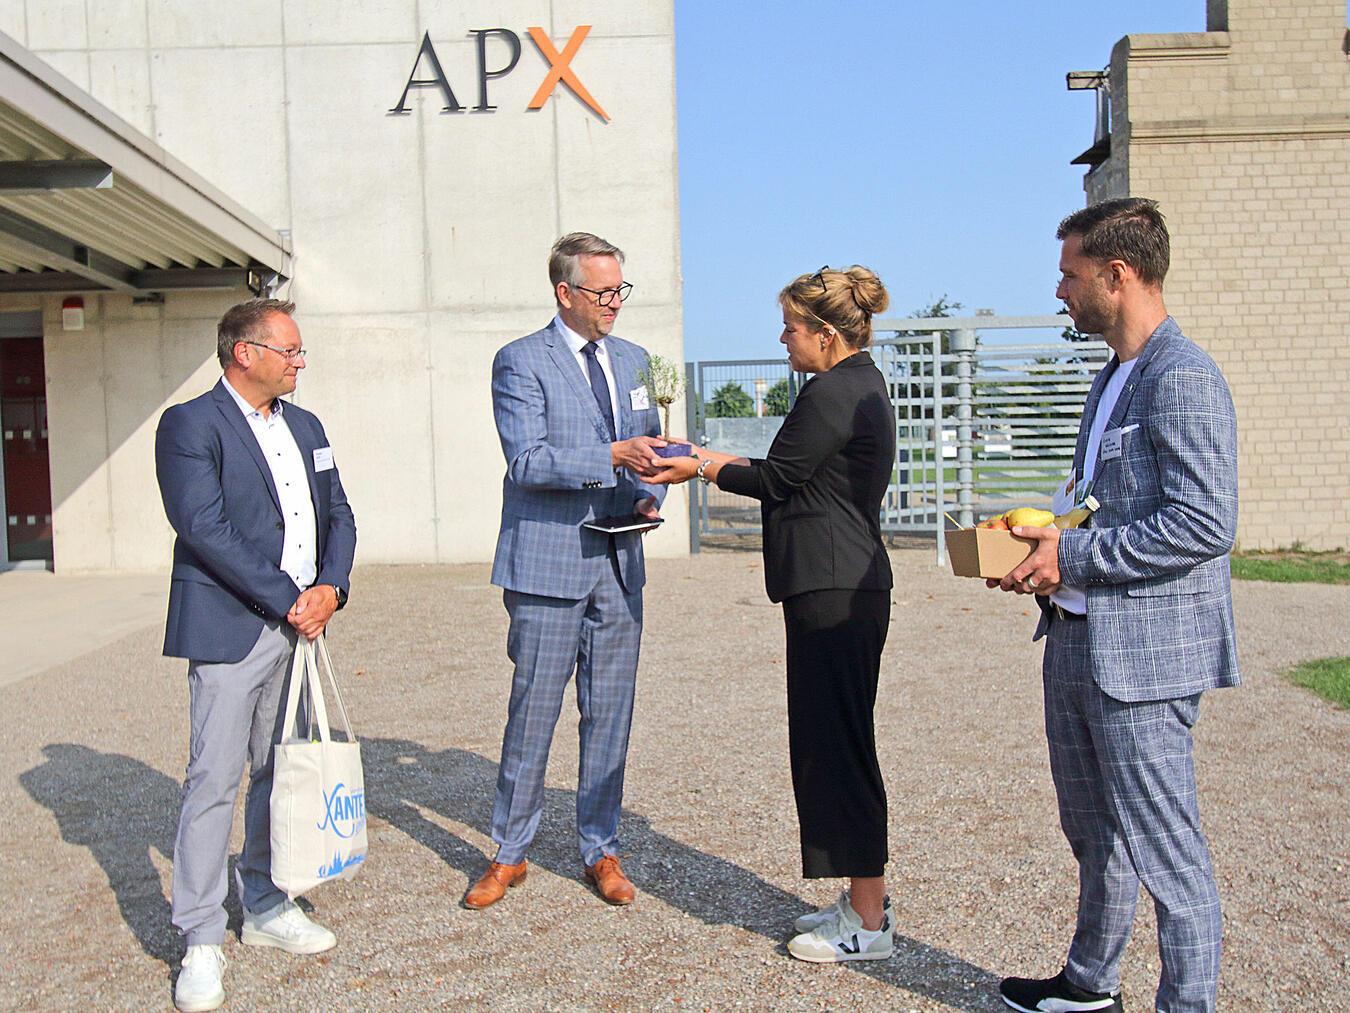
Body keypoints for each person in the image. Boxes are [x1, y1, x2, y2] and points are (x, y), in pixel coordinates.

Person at [990, 198, 1239, 1013]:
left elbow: (1205, 522)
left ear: (1117, 274)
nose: (1061, 290)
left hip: (1144, 659)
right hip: (1076, 640)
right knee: (1095, 836)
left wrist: (1076, 554)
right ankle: (1091, 986)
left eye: (1070, 274)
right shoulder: (1110, 380)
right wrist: (1039, 541)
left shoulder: (1185, 376)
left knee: (1170, 856)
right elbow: (1103, 508)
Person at [650, 265, 896, 962]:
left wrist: (698, 465)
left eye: (790, 327)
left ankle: (869, 923)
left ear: (824, 333)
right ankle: (861, 899)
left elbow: (777, 478)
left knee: (839, 749)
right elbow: (792, 468)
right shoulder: (860, 381)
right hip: (843, 581)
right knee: (836, 742)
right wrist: (707, 456)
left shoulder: (830, 392)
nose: (782, 338)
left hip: (833, 587)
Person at [155, 298, 357, 1013]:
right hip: (231, 626)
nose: (301, 361)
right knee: (213, 777)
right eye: (291, 350)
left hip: (299, 627)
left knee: (281, 770)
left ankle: (267, 903)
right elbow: (203, 525)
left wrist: (330, 586)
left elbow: (340, 514)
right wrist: (290, 596)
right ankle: (201, 937)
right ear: (245, 352)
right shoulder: (189, 425)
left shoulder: (307, 426)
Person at [467, 232, 668, 910]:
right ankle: (509, 851)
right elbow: (528, 460)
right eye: (602, 291)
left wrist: (652, 490)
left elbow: (653, 445)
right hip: (547, 565)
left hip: (620, 561)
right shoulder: (520, 361)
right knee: (534, 712)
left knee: (610, 713)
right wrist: (614, 452)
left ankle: (600, 846)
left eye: (620, 289)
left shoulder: (636, 359)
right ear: (564, 292)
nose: (615, 302)